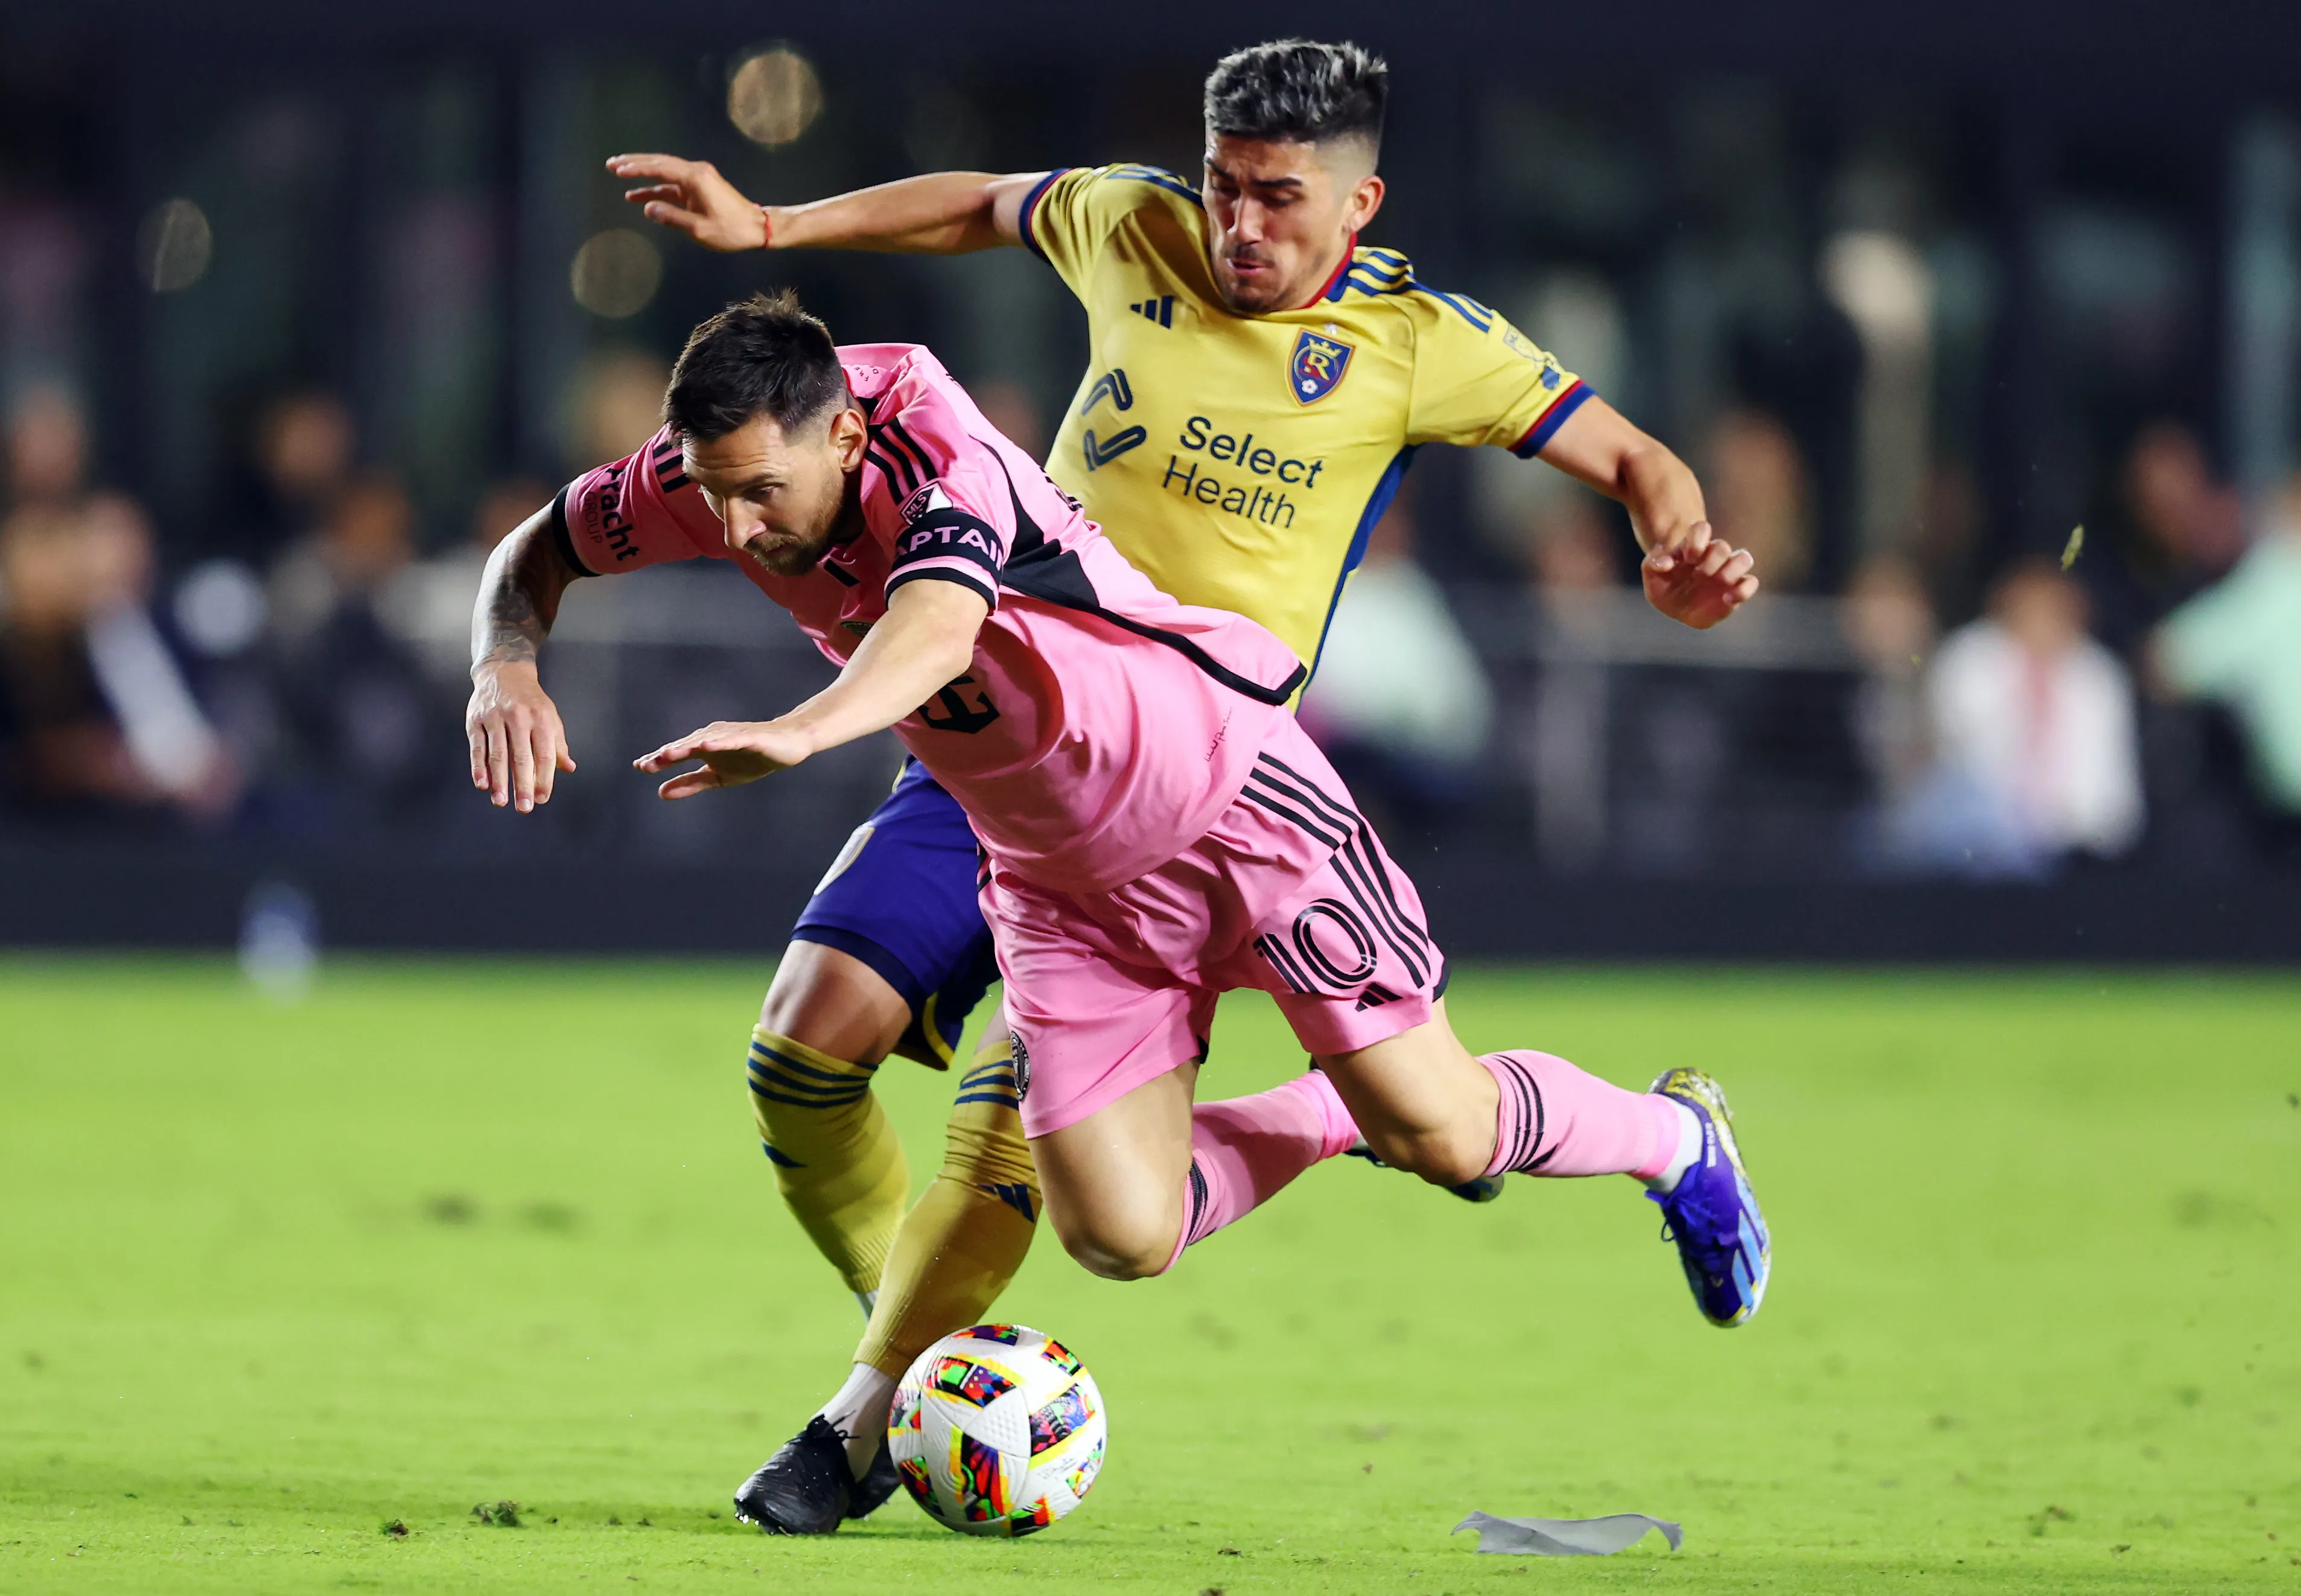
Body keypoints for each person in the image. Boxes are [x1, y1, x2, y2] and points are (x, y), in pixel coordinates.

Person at [575, 38, 1760, 1533]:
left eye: (1276, 198)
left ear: (1358, 202)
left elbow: (1634, 455)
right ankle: (895, 1379)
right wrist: (777, 228)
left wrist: (1679, 548)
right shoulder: (1134, 223)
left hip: (1224, 777)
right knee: (852, 1082)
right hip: (1002, 748)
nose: (1238, 227)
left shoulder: (1421, 342)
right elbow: (983, 205)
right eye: (1222, 189)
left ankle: (1668, 1140)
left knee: (1436, 1131)